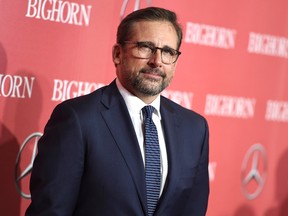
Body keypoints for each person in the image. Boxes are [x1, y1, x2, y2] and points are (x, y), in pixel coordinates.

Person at [26, 6, 209, 216]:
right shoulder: (78, 119)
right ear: (117, 54)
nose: (156, 61)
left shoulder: (195, 129)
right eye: (145, 47)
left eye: (168, 52)